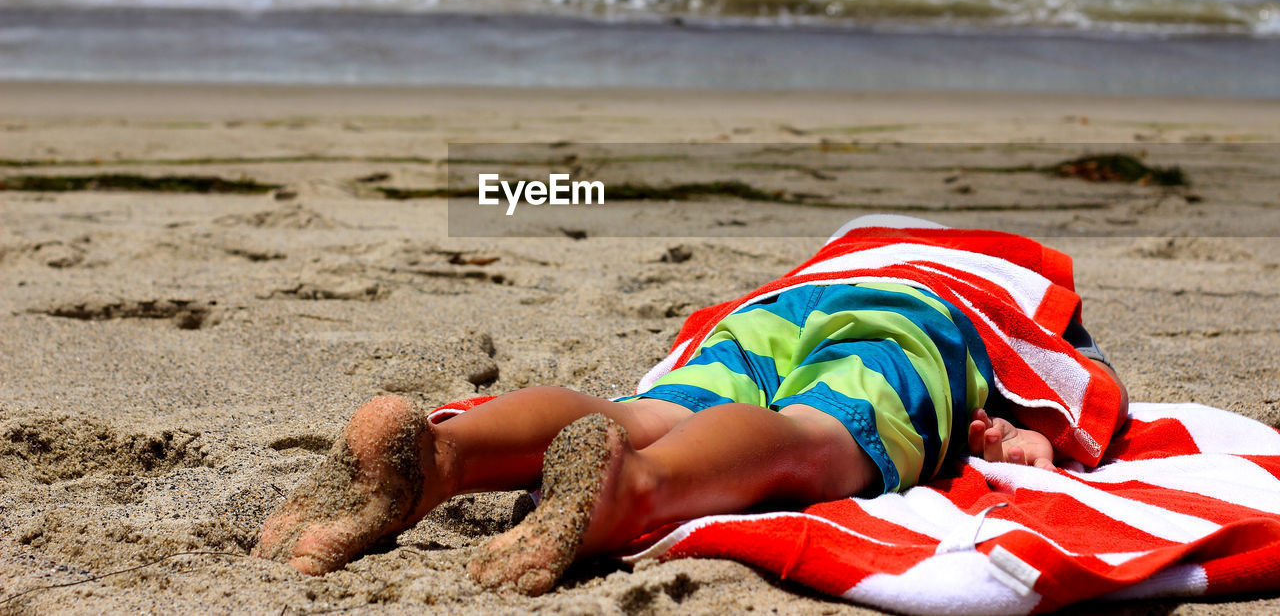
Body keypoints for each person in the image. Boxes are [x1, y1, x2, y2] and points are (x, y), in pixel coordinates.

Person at [253, 220, 1128, 595]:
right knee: (815, 437)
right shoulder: (1018, 285)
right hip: (915, 328)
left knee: (643, 410)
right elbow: (1056, 381)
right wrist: (1023, 436)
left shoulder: (842, 253)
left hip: (765, 314)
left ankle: (444, 457)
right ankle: (639, 491)